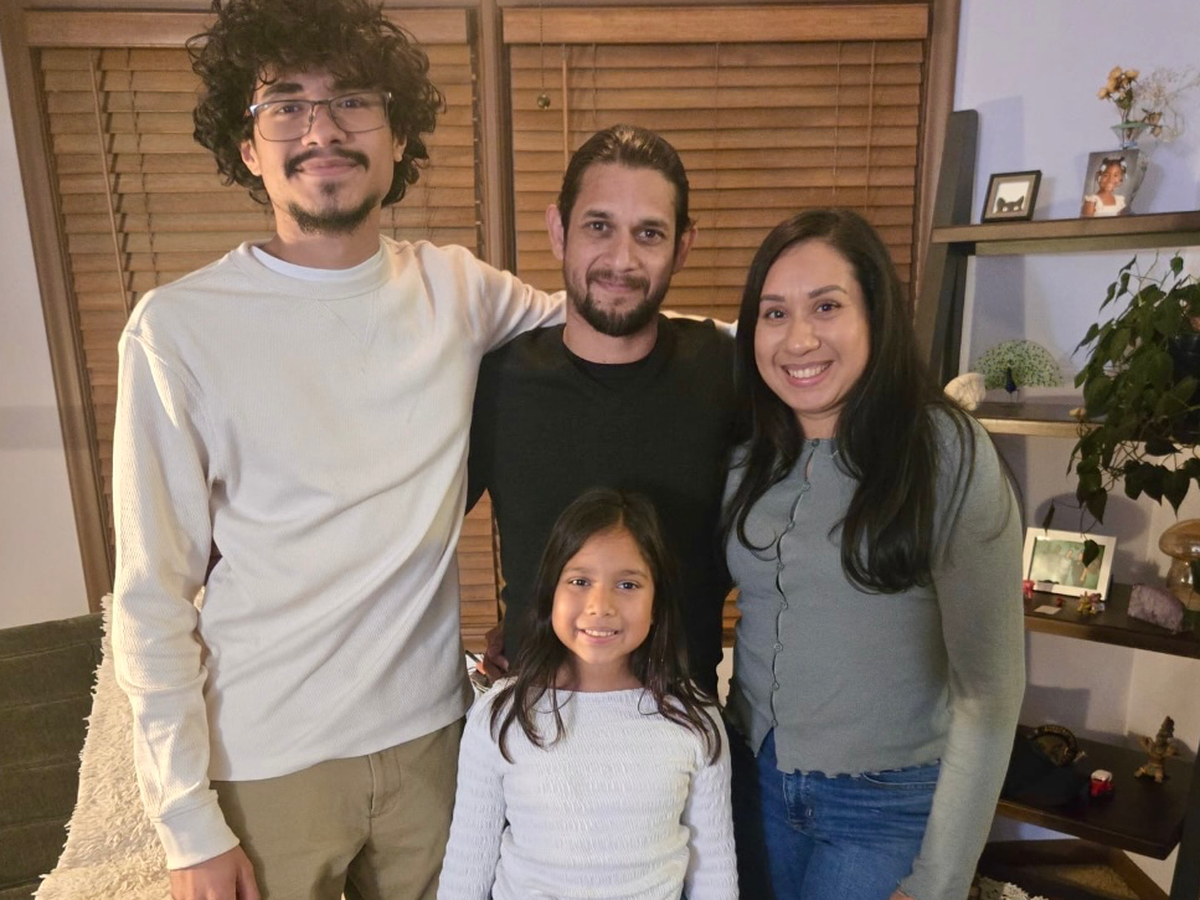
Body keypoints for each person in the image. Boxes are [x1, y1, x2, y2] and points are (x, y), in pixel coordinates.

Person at [110, 1, 561, 899]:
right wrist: (186, 823)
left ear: (398, 136)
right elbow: (151, 593)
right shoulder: (178, 329)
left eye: (353, 100)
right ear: (248, 147)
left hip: (432, 742)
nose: (322, 130)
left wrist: (791, 342)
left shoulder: (457, 288)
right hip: (267, 760)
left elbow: (614, 331)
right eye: (286, 104)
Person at [721, 209, 1024, 900]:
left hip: (883, 808)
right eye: (774, 313)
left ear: (875, 316)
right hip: (753, 785)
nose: (798, 338)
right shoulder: (748, 454)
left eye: (827, 306)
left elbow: (989, 693)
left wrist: (939, 881)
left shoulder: (945, 452)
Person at [467, 125, 737, 696]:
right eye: (598, 226)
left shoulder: (728, 372)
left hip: (686, 721)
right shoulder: (495, 383)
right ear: (558, 231)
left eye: (649, 233)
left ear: (682, 247)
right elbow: (411, 536)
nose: (622, 259)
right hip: (535, 719)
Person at [438, 488, 737, 900]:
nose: (600, 605)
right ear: (551, 593)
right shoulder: (500, 715)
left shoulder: (694, 718)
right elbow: (467, 867)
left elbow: (715, 872)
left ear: (657, 603)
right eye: (580, 581)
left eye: (628, 584)